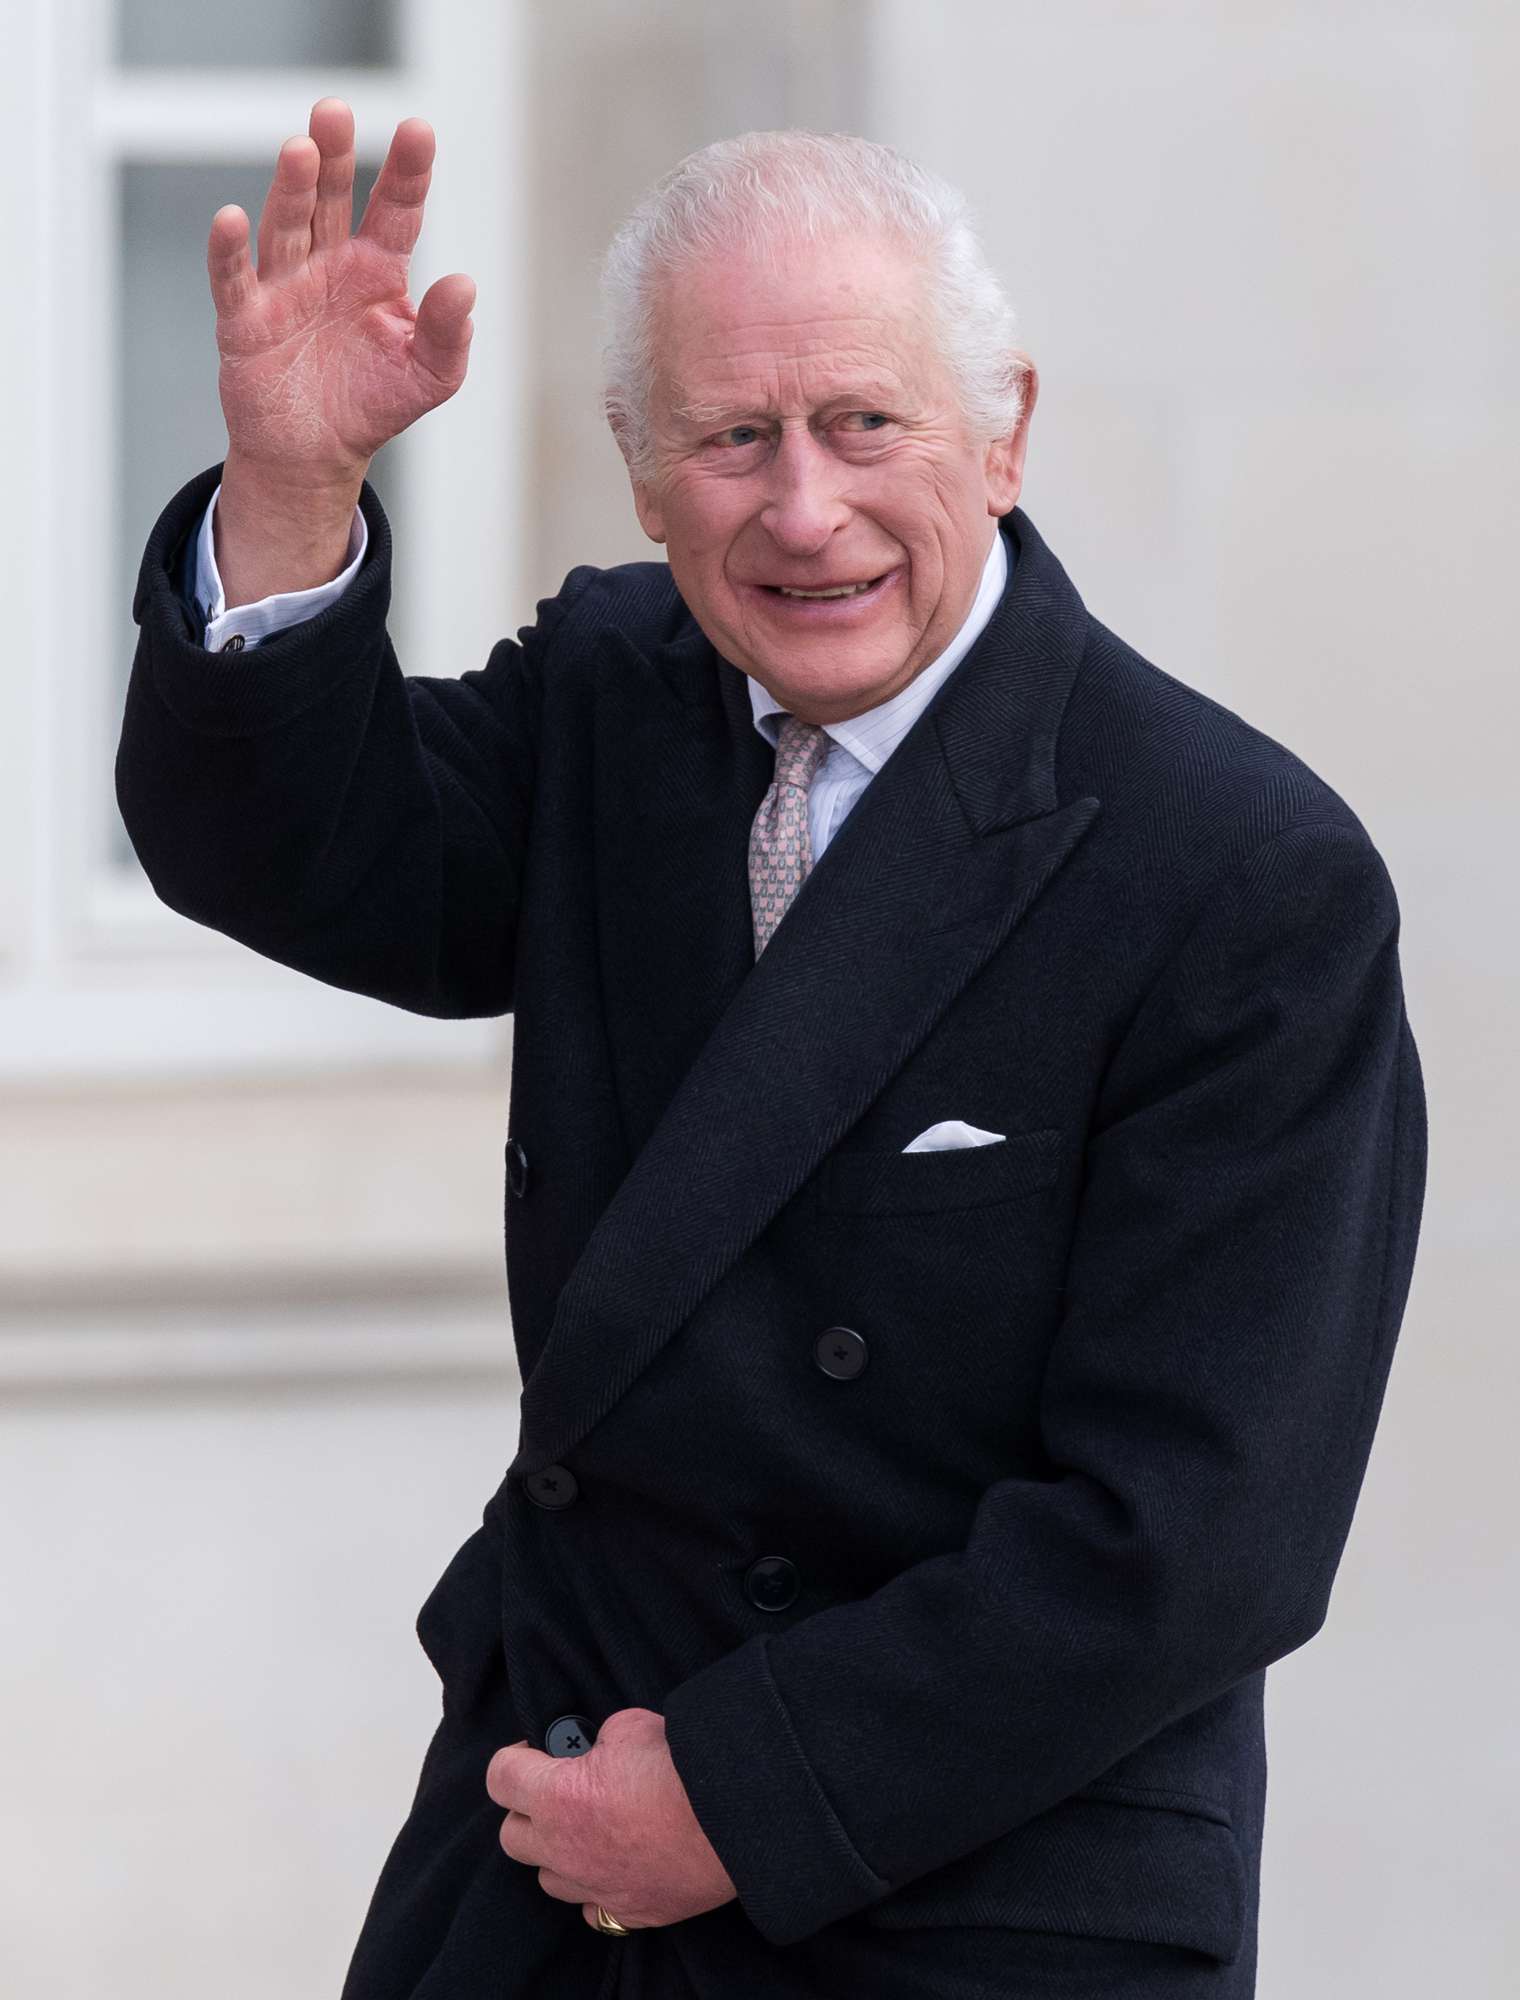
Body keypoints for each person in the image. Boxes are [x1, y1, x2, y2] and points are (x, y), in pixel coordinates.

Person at [116, 97, 1427, 2000]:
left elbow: (1199, 1537)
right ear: (643, 476)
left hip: (965, 1896)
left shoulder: (1240, 875)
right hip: (546, 1853)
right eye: (734, 438)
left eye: (863, 425)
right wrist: (294, 490)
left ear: (1005, 431)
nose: (804, 512)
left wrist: (731, 1797)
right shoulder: (612, 694)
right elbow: (298, 857)